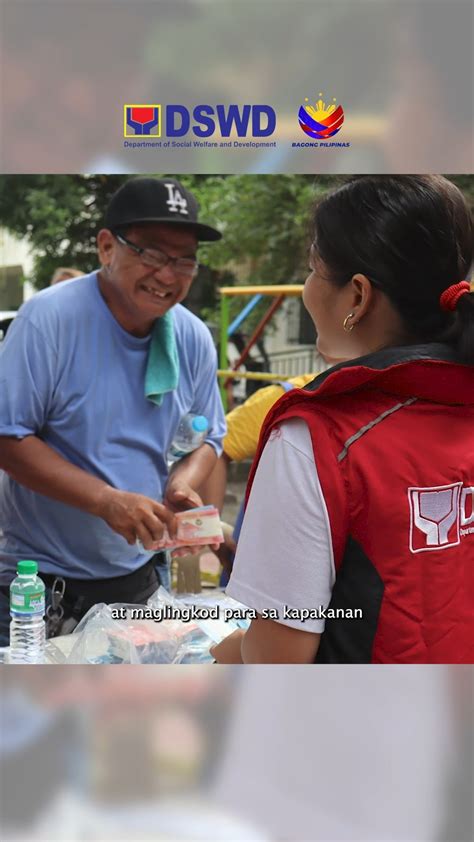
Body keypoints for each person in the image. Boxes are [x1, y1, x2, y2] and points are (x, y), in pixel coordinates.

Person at [212, 174, 474, 664]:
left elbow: (277, 663)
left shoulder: (317, 438)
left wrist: (219, 652)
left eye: (312, 270)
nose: (306, 288)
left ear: (356, 297)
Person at [0, 177, 226, 645]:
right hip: (36, 589)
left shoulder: (192, 337)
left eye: (184, 259)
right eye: (152, 254)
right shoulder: (49, 320)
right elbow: (8, 438)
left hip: (141, 582)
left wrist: (182, 482)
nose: (168, 274)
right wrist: (105, 500)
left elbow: (209, 439)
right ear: (106, 246)